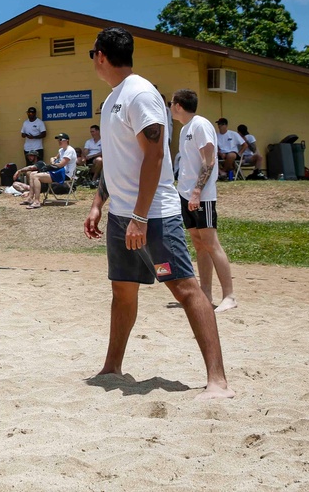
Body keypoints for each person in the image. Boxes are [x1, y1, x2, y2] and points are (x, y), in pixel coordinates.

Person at [83, 27, 233, 400]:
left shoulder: (140, 93)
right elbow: (121, 162)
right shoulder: (114, 98)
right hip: (122, 214)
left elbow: (154, 155)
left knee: (185, 288)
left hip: (153, 216)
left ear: (101, 55)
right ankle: (113, 366)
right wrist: (98, 202)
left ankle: (218, 381)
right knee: (122, 290)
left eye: (92, 55)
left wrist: (140, 216)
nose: (93, 61)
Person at [172, 90, 238, 313]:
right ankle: (206, 293)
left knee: (211, 243)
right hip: (185, 193)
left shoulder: (200, 125)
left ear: (179, 105)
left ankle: (229, 295)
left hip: (201, 195)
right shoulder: (185, 129)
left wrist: (197, 192)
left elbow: (209, 161)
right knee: (199, 244)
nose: (170, 107)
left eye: (172, 103)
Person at [19, 133, 77, 209]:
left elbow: (61, 165)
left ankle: (36, 202)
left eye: (61, 140)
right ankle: (30, 198)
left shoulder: (70, 150)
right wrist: (53, 161)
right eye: (58, 140)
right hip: (57, 172)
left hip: (64, 174)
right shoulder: (61, 150)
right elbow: (54, 158)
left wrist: (49, 166)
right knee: (32, 174)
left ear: (67, 141)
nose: (59, 141)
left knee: (36, 176)